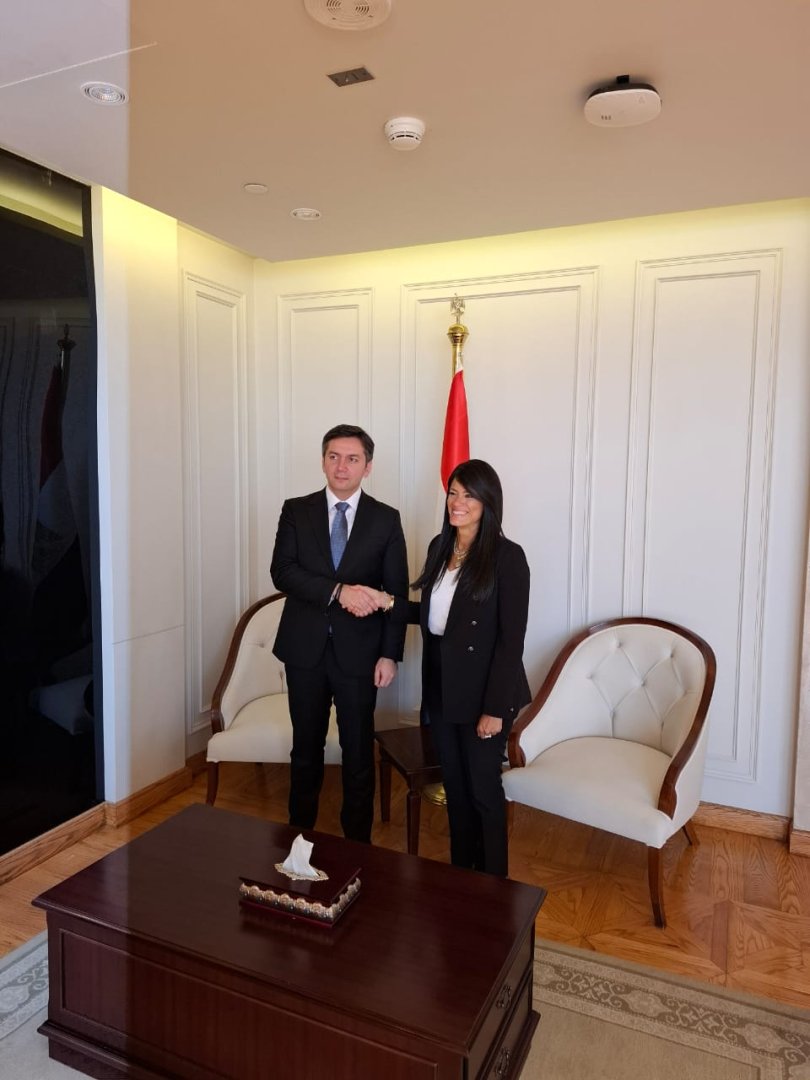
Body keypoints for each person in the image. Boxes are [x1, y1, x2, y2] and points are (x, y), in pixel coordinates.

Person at [361, 459, 530, 875]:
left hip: (486, 694)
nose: (458, 502)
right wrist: (387, 602)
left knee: (483, 791)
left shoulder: (508, 557)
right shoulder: (441, 545)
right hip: (442, 688)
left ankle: (493, 887)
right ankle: (462, 879)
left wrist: (494, 710)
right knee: (455, 787)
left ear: (488, 502)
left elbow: (511, 641)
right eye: (453, 493)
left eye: (469, 495)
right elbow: (436, 618)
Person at [270, 423, 409, 843]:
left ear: (368, 466)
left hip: (360, 654)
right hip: (304, 651)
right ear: (323, 461)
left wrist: (389, 654)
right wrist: (338, 591)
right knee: (305, 749)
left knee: (358, 752)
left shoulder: (386, 519)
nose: (341, 466)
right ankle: (298, 839)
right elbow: (283, 572)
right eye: (334, 457)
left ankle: (358, 845)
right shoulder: (296, 510)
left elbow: (396, 592)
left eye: (352, 458)